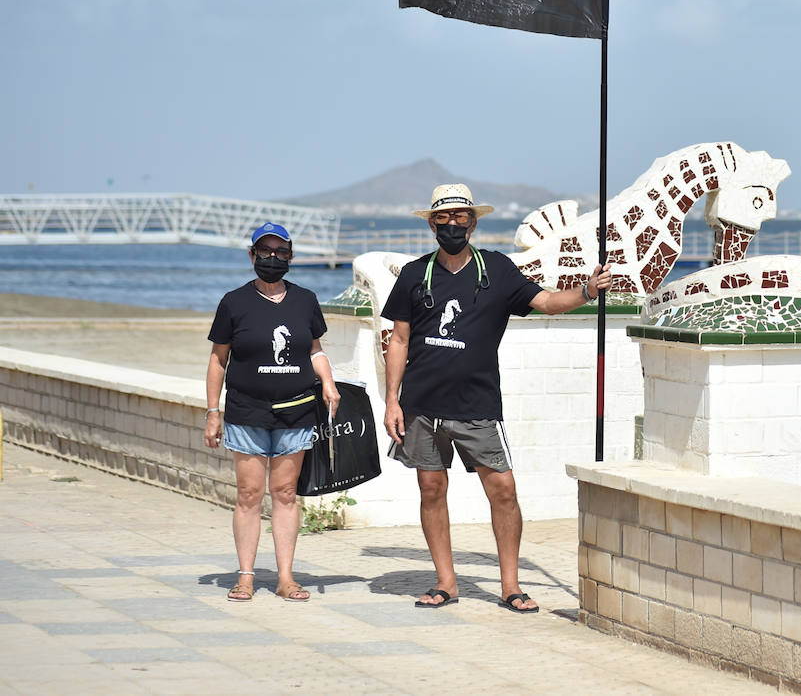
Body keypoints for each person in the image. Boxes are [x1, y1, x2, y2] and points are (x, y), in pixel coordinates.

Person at [382, 184, 612, 611]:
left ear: (473, 222)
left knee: (503, 490)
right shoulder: (416, 273)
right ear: (432, 224)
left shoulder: (498, 270)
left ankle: (511, 586)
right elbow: (398, 339)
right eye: (444, 218)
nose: (452, 224)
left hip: (477, 407)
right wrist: (391, 401)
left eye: (461, 217)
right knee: (431, 489)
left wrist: (587, 292)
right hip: (421, 407)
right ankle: (445, 583)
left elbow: (545, 301)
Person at [203, 222, 341, 602]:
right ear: (251, 256)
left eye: (281, 252)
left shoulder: (305, 300)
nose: (273, 258)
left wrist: (328, 383)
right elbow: (218, 361)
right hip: (247, 412)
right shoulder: (234, 302)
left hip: (295, 413)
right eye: (265, 251)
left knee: (283, 493)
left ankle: (285, 578)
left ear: (291, 257)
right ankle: (245, 576)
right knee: (249, 494)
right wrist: (213, 412)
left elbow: (314, 349)